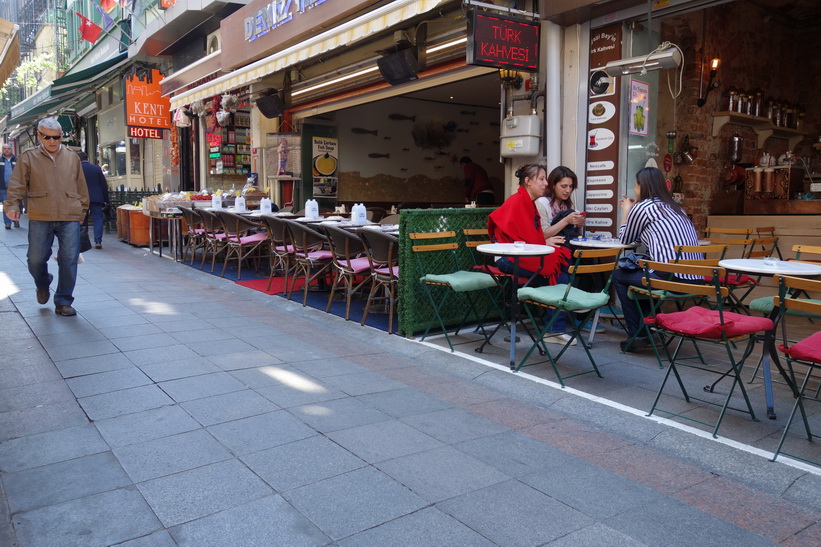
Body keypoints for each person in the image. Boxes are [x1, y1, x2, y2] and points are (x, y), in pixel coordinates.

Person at [4, 118, 89, 317]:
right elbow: (17, 184)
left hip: (69, 214)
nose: (52, 141)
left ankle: (63, 301)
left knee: (69, 259)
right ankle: (43, 283)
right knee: (35, 259)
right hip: (41, 214)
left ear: (62, 136)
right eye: (47, 137)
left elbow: (81, 186)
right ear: (39, 136)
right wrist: (12, 204)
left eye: (56, 137)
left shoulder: (72, 157)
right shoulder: (28, 157)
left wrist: (82, 211)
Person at [614, 167, 701, 351]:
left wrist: (627, 211)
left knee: (620, 276)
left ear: (642, 186)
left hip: (670, 278)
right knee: (642, 278)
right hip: (695, 279)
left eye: (636, 185)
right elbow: (642, 236)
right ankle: (649, 330)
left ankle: (637, 334)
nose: (635, 190)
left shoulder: (642, 207)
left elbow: (625, 239)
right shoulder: (676, 208)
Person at [488, 163, 574, 344]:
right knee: (560, 276)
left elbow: (530, 237)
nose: (546, 183)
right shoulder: (518, 202)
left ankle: (554, 326)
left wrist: (543, 242)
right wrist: (543, 242)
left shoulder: (528, 202)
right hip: (506, 258)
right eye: (541, 179)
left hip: (519, 255)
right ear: (528, 181)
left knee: (562, 273)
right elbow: (522, 237)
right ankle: (554, 329)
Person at [535, 166, 586, 240]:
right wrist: (566, 220)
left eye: (571, 186)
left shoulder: (566, 204)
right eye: (564, 186)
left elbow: (574, 234)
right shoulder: (542, 203)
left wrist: (578, 224)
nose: (568, 190)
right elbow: (543, 235)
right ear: (553, 185)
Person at [77, 150, 109, 249]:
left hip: (82, 198)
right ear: (88, 159)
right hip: (96, 197)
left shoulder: (76, 169)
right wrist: (106, 199)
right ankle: (98, 241)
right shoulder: (96, 168)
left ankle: (84, 241)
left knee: (83, 219)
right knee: (98, 219)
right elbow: (103, 184)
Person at [1, 143, 18, 228]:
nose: (6, 150)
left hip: (16, 187)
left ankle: (15, 219)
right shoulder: (0, 161)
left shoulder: (16, 160)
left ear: (11, 150)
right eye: (5, 148)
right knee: (6, 205)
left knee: (16, 204)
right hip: (3, 187)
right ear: (2, 150)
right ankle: (7, 223)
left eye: (8, 148)